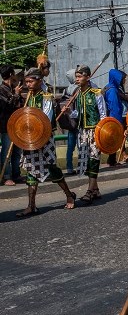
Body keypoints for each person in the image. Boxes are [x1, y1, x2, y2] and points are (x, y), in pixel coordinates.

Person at [16, 68, 76, 216]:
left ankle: (69, 194)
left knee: (51, 167)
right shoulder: (28, 97)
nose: (28, 84)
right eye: (27, 82)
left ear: (39, 81)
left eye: (31, 81)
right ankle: (31, 205)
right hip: (30, 138)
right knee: (31, 168)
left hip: (44, 137)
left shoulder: (46, 97)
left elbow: (46, 119)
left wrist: (37, 132)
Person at [65, 65, 106, 203]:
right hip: (82, 131)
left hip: (95, 130)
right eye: (76, 76)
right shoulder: (78, 94)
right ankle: (96, 190)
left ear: (87, 77)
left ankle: (89, 191)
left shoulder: (96, 93)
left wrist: (102, 131)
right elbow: (78, 114)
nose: (77, 79)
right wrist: (69, 112)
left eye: (80, 76)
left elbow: (103, 114)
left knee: (94, 159)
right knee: (87, 160)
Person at [0, 65, 23, 186]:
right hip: (6, 125)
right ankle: (6, 175)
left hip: (17, 124)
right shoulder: (1, 90)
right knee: (6, 151)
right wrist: (16, 95)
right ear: (10, 75)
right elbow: (6, 107)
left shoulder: (14, 88)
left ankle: (16, 174)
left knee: (17, 151)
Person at [102, 69, 128, 166]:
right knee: (114, 139)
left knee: (113, 139)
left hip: (112, 117)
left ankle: (112, 159)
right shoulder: (112, 90)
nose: (124, 81)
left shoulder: (110, 87)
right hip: (114, 118)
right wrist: (119, 122)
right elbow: (114, 107)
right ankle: (112, 160)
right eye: (122, 79)